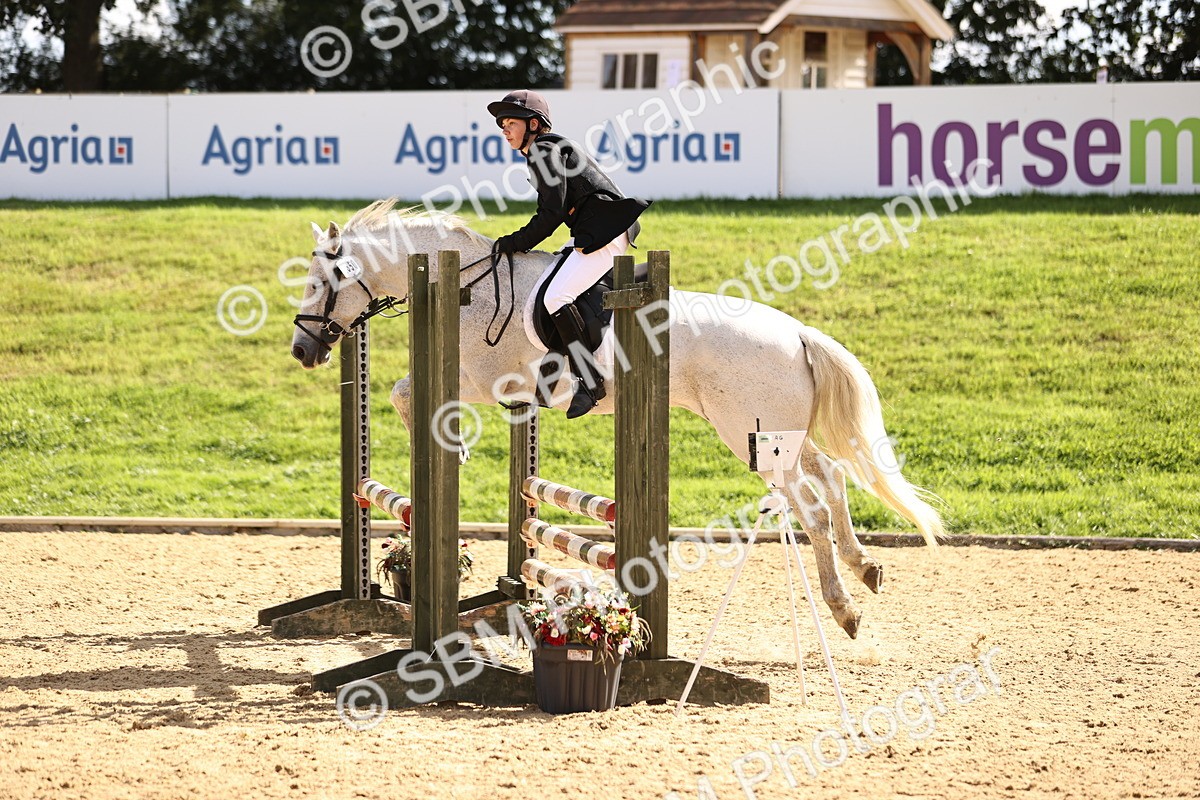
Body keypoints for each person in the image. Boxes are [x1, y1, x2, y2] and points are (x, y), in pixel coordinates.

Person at [487, 90, 650, 419]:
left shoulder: (543, 151)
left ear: (533, 124)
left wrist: (514, 242)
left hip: (603, 236)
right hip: (595, 232)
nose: (504, 130)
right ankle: (546, 386)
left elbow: (551, 214)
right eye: (502, 124)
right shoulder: (546, 150)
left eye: (510, 123)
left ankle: (589, 384)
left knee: (556, 298)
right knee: (550, 292)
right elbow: (556, 210)